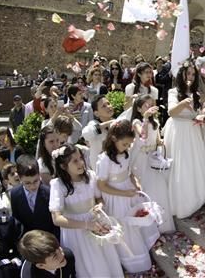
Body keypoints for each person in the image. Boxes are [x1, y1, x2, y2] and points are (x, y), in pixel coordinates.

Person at [49, 143, 123, 278]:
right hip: (76, 232)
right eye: (75, 161)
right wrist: (86, 225)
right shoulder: (58, 185)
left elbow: (99, 198)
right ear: (63, 166)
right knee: (89, 265)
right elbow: (57, 218)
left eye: (81, 158)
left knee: (105, 259)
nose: (81, 163)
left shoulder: (90, 176)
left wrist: (99, 206)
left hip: (95, 224)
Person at [96, 119, 159, 273]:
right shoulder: (105, 160)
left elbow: (129, 173)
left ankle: (143, 249)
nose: (128, 147)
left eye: (129, 144)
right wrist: (124, 193)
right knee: (125, 229)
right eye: (125, 144)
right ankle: (133, 261)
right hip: (115, 196)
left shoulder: (125, 154)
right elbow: (101, 185)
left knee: (136, 223)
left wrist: (135, 182)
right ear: (113, 139)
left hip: (128, 191)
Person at [164, 61, 205, 218]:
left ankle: (194, 196)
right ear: (181, 75)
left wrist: (201, 117)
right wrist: (183, 102)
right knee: (179, 165)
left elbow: (194, 114)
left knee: (192, 164)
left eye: (192, 74)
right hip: (178, 131)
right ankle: (180, 202)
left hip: (192, 131)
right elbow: (171, 112)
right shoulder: (173, 92)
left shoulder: (196, 94)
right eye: (187, 73)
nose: (190, 77)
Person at [130, 94, 175, 233]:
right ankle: (146, 226)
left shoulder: (154, 120)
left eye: (151, 105)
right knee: (146, 188)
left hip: (153, 156)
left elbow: (156, 137)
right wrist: (145, 118)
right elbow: (142, 136)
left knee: (159, 187)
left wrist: (159, 141)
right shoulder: (137, 121)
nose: (149, 108)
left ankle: (161, 223)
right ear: (138, 108)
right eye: (146, 105)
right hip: (141, 159)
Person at [11, 155, 59, 239]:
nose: (32, 186)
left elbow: (55, 224)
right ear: (19, 178)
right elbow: (17, 221)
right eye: (27, 183)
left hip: (49, 239)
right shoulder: (15, 194)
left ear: (39, 175)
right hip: (29, 242)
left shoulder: (49, 193)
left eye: (36, 181)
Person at [82, 95, 115, 170]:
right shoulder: (93, 123)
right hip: (99, 169)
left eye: (108, 103)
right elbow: (85, 134)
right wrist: (107, 124)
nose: (108, 107)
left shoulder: (116, 122)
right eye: (103, 106)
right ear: (96, 113)